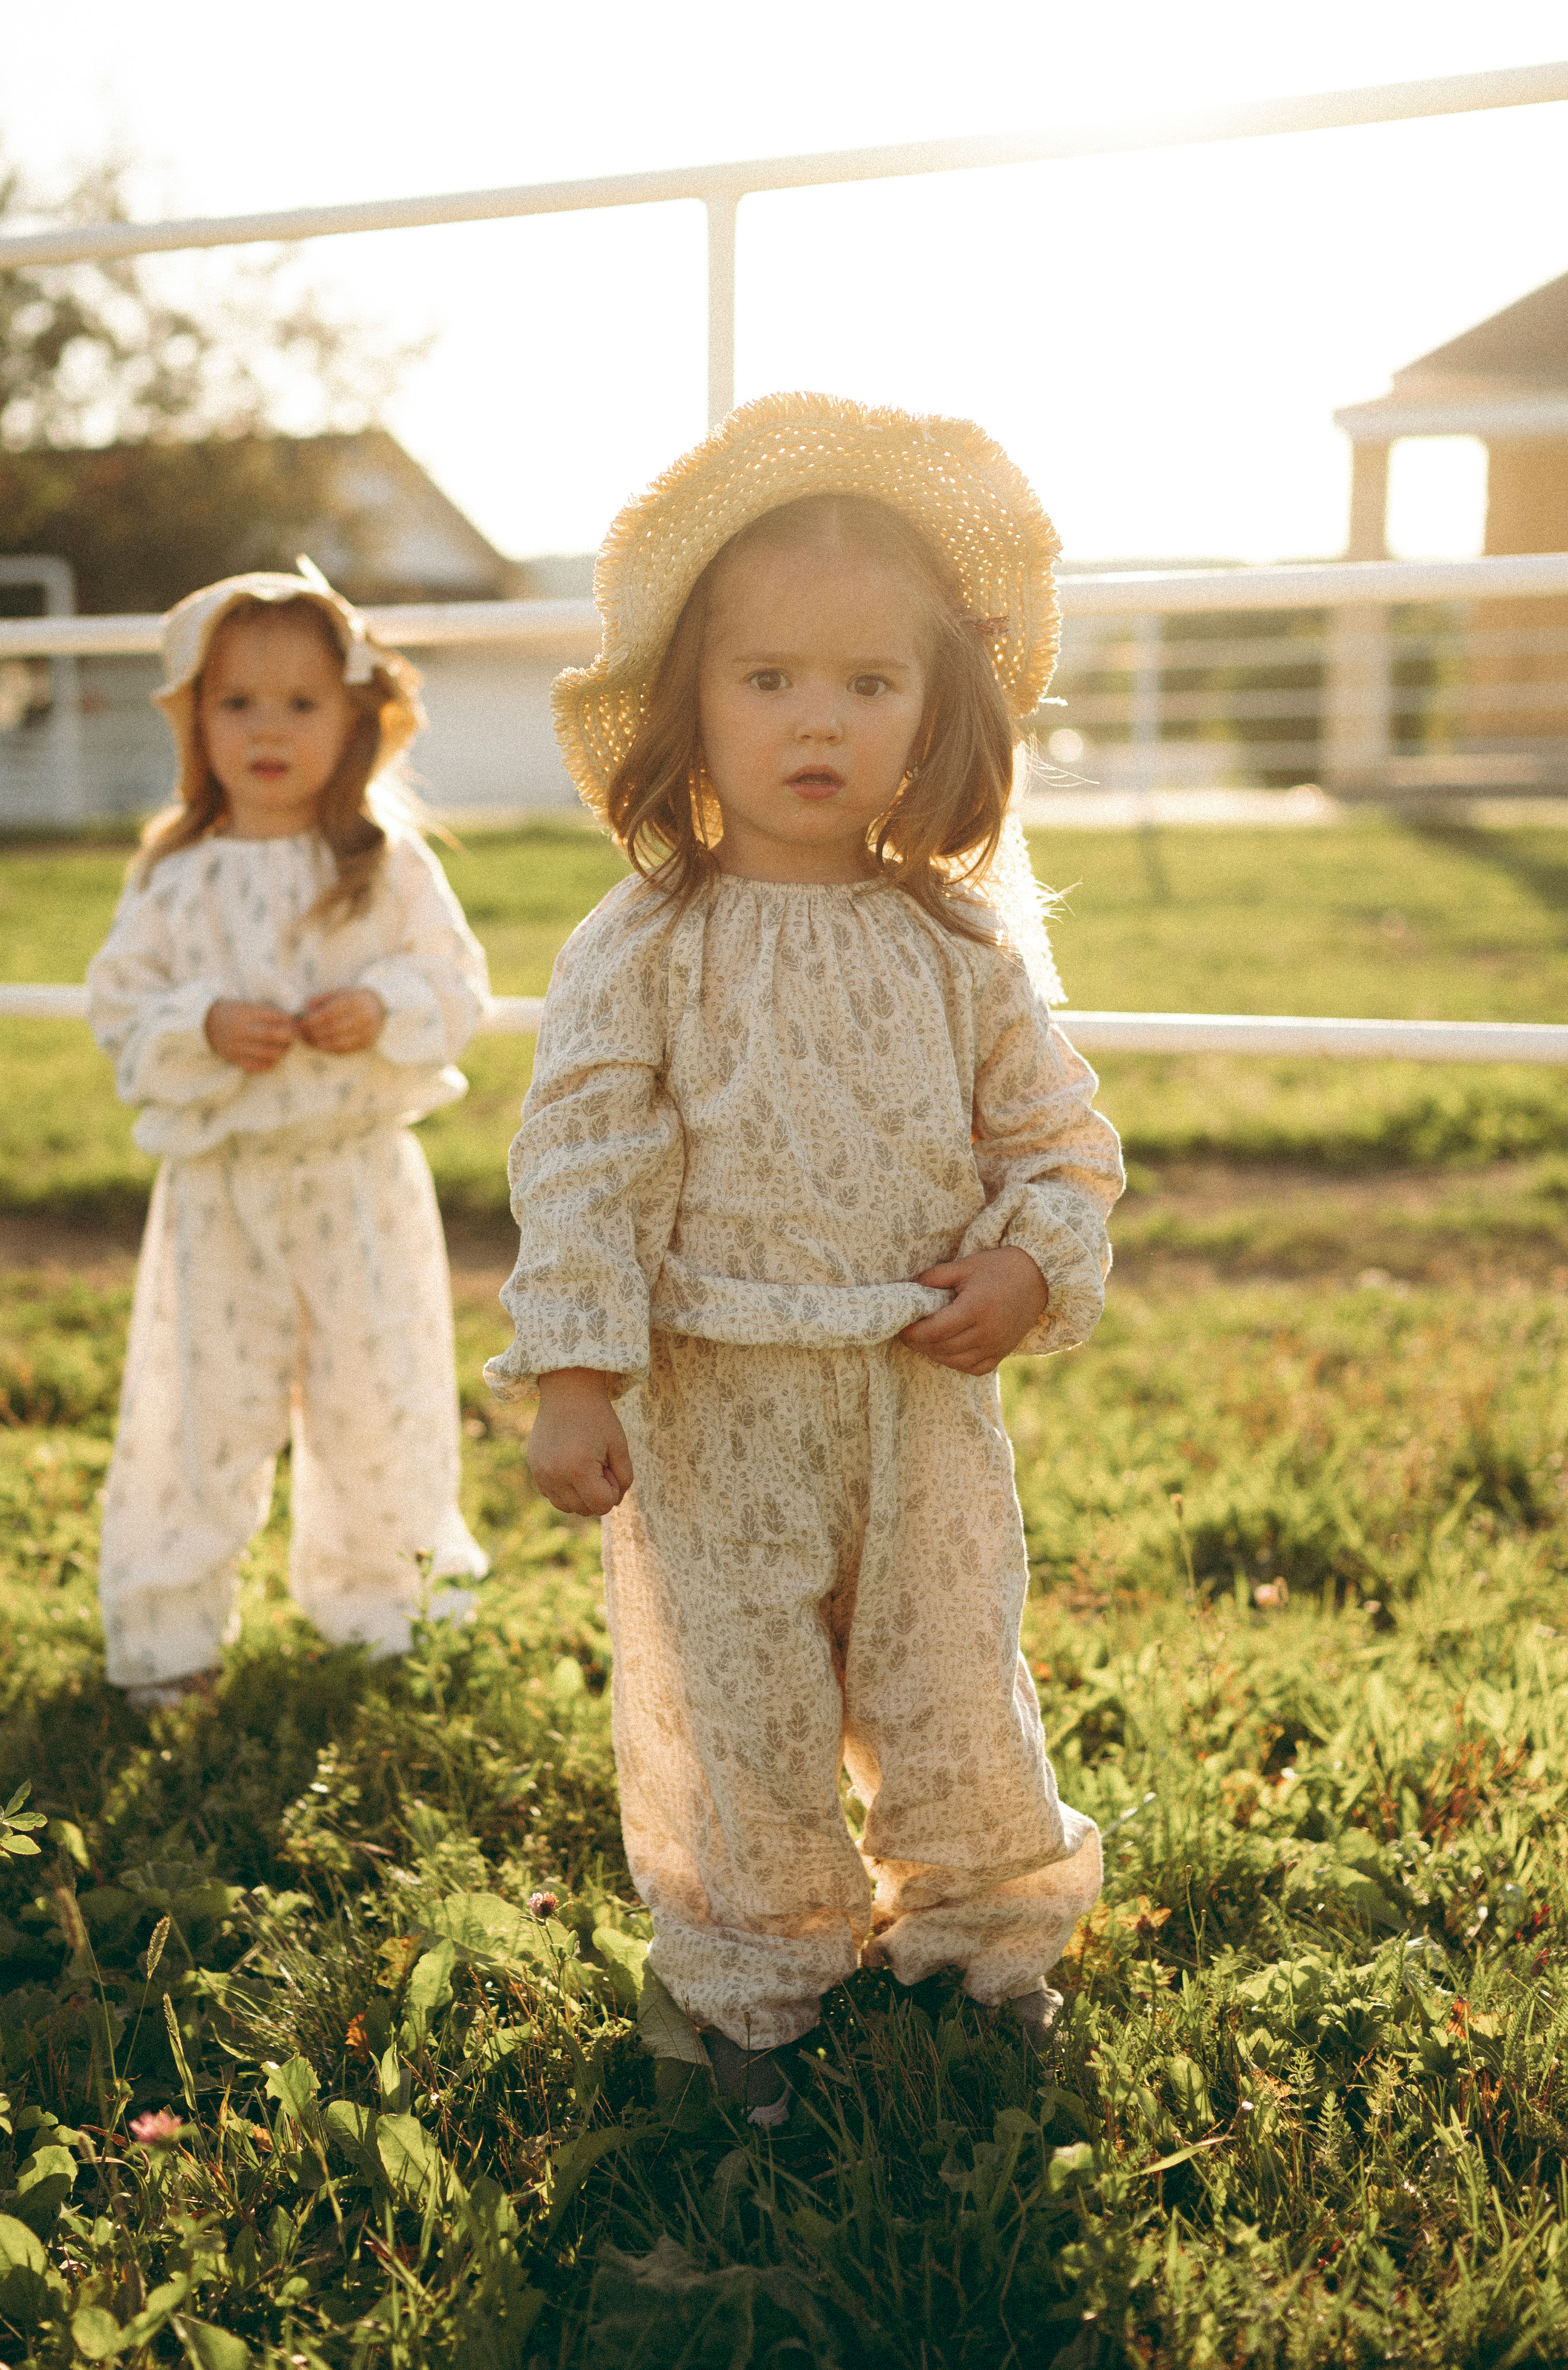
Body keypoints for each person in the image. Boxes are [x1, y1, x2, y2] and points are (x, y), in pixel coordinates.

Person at [485, 394, 1125, 2126]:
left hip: (918, 1391)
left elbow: (1055, 1141)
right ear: (690, 701)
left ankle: (983, 1947)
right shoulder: (646, 938)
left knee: (946, 1672)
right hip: (715, 1398)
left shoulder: (960, 940)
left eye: (867, 682)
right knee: (746, 1699)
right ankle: (752, 1991)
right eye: (766, 680)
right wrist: (572, 1372)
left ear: (938, 710)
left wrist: (1031, 1264)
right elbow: (584, 1161)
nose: (816, 721)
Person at [88, 564, 490, 1707]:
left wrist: (386, 1011)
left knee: (382, 1395)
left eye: (302, 704)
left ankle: (388, 1607)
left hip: (357, 1179)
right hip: (221, 1188)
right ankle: (168, 1634)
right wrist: (202, 1025)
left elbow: (455, 986)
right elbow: (120, 1004)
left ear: (357, 722)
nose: (268, 729)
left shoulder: (387, 867)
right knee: (198, 1406)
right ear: (194, 721)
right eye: (238, 704)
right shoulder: (176, 874)